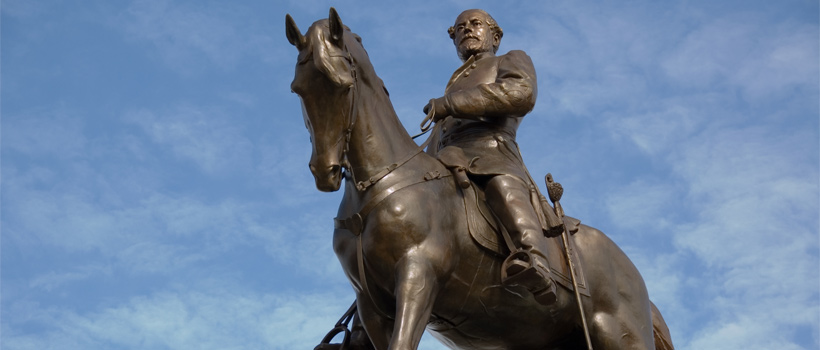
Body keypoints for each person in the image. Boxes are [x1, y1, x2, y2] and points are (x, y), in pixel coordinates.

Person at [423, 9, 562, 305]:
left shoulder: (509, 59)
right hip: (450, 158)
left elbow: (520, 93)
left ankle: (535, 261)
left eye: (475, 24)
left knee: (501, 185)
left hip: (492, 150)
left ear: (495, 36)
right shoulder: (455, 80)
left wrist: (451, 103)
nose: (467, 30)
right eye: (460, 28)